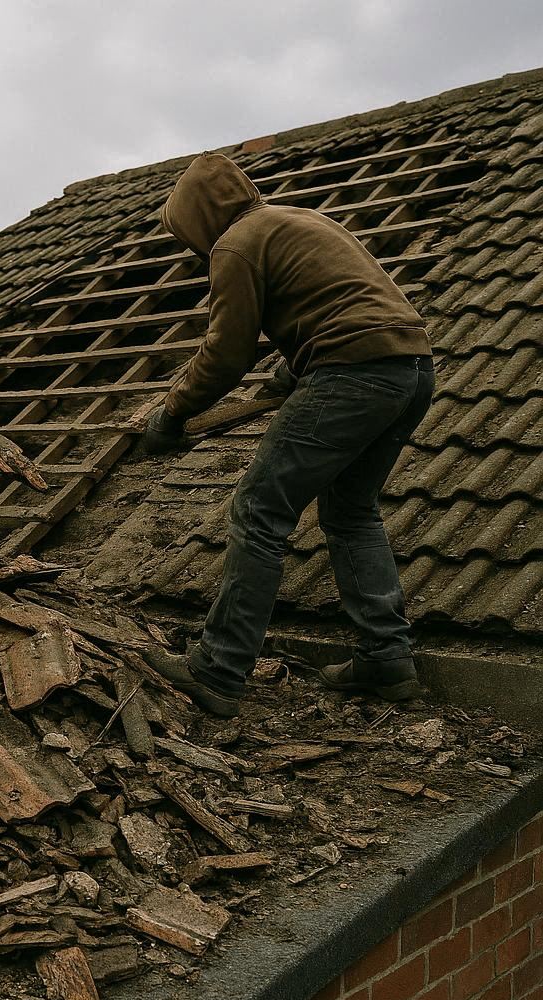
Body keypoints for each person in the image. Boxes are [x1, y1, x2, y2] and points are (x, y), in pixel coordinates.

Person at [141, 153, 435, 718]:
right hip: (412, 368)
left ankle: (219, 669)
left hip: (351, 372)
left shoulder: (234, 244)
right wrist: (288, 374)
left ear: (198, 219)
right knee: (351, 511)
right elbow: (333, 305)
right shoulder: (299, 220)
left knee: (259, 510)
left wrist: (172, 414)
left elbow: (225, 354)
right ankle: (387, 658)